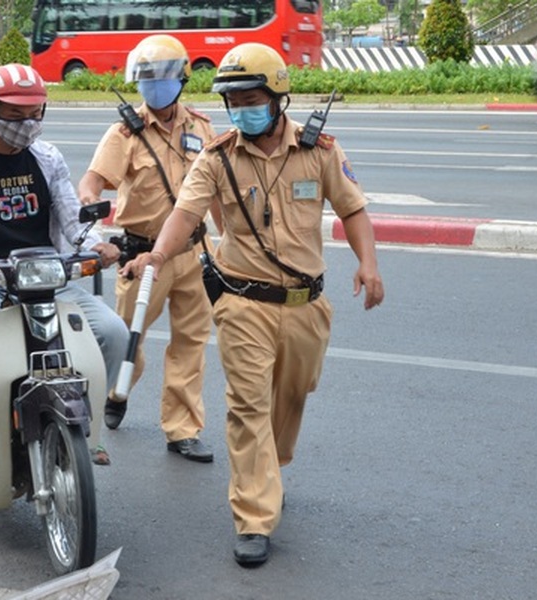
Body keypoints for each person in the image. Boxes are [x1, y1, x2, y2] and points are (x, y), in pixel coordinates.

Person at [121, 43, 385, 566]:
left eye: (250, 97)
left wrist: (368, 264)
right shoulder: (216, 157)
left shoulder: (320, 150)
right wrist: (156, 254)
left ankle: (269, 469)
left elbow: (352, 210)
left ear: (277, 96)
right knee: (247, 407)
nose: (240, 107)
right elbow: (185, 214)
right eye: (232, 99)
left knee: (291, 399)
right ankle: (254, 517)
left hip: (306, 305)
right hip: (243, 302)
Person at [0, 63, 129, 502]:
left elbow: (74, 221)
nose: (27, 125)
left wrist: (99, 244)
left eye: (35, 113)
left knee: (113, 332)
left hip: (48, 275)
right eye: (15, 115)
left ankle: (81, 429)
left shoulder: (48, 159)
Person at [78, 34, 219, 463]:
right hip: (141, 258)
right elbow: (93, 180)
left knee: (190, 343)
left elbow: (219, 187)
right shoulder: (125, 133)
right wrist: (89, 202)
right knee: (124, 340)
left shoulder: (201, 127)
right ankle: (114, 394)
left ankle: (182, 430)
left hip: (193, 252)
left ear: (182, 79)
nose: (155, 86)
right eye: (147, 78)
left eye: (163, 77)